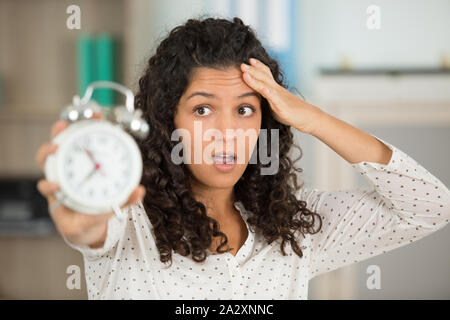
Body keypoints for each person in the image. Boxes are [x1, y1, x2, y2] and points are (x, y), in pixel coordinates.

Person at [35, 17, 450, 299]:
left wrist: (313, 118)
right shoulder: (130, 220)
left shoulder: (295, 228)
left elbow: (430, 207)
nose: (227, 132)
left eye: (245, 109)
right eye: (202, 109)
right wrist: (83, 214)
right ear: (167, 121)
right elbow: (91, 228)